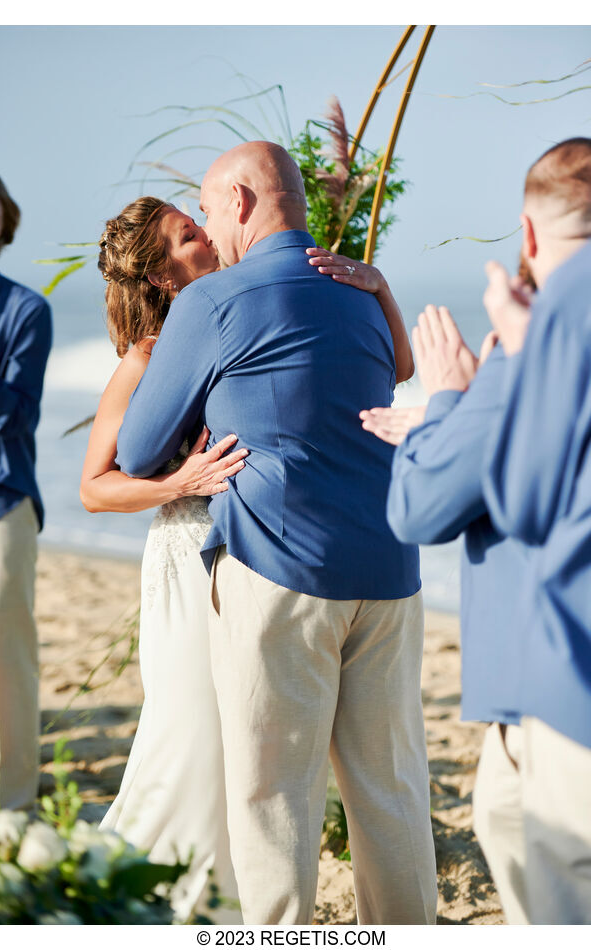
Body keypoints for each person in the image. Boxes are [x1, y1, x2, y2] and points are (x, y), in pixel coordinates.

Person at [115, 141, 438, 925]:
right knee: (390, 790)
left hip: (279, 567)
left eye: (206, 208)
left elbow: (136, 450)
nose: (209, 232)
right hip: (391, 568)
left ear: (240, 200)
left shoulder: (213, 299)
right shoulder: (359, 289)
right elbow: (393, 372)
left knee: (273, 795)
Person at [360, 137, 590, 924]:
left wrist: (454, 400)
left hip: (557, 694)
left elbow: (422, 509)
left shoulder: (536, 340)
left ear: (527, 237)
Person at [80, 196, 246, 923]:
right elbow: (94, 486)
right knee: (187, 726)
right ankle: (140, 900)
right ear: (161, 277)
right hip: (185, 552)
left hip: (252, 554)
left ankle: (230, 906)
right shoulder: (143, 360)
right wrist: (178, 483)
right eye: (187, 235)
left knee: (241, 733)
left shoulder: (240, 312)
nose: (206, 233)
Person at [482, 139, 590, 925]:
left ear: (527, 235)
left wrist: (512, 359)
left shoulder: (564, 305)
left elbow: (522, 499)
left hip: (579, 677)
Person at [0, 174, 52, 812]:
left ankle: (14, 806)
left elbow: (10, 414)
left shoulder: (25, 311)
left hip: (1, 496)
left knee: (7, 651)